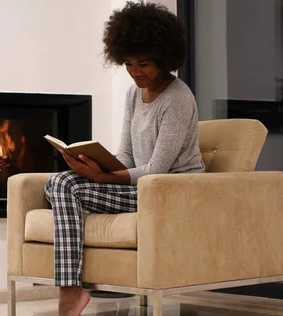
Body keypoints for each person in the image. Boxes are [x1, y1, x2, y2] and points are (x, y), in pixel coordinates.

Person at [43, 2, 205, 315]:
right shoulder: (133, 93)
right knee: (58, 182)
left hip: (171, 191)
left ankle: (71, 293)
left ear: (164, 58)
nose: (135, 72)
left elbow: (158, 169)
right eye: (129, 64)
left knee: (65, 188)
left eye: (143, 64)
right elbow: (127, 155)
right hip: (141, 187)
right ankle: (72, 289)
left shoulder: (178, 98)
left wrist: (103, 178)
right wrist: (93, 165)